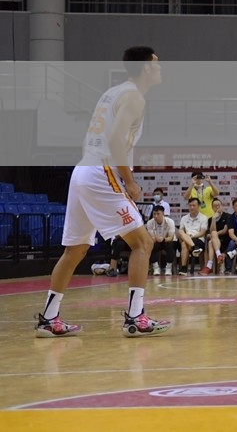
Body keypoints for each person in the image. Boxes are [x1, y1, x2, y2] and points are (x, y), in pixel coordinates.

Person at [36, 46, 170, 338]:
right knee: (143, 243)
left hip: (83, 170)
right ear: (146, 67)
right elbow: (114, 140)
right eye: (157, 63)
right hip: (101, 172)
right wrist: (129, 181)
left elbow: (91, 139)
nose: (160, 68)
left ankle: (48, 318)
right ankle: (135, 318)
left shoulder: (112, 93)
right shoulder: (134, 97)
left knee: (75, 250)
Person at [146, 205, 176, 275]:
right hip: (156, 241)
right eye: (154, 214)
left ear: (163, 214)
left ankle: (168, 268)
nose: (156, 216)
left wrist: (163, 239)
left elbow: (171, 237)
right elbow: (151, 236)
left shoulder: (170, 222)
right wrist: (153, 238)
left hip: (167, 240)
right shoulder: (149, 223)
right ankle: (156, 267)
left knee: (170, 245)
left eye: (158, 214)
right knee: (151, 245)